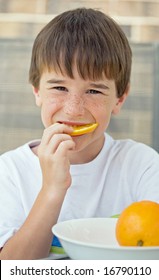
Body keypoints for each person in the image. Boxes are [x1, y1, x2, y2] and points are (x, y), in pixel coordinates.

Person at [0, 8, 159, 260]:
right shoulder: (9, 171)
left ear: (119, 99)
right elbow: (10, 268)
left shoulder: (142, 165)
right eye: (59, 87)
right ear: (37, 91)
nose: (73, 110)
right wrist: (53, 189)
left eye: (94, 91)